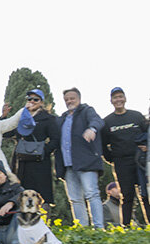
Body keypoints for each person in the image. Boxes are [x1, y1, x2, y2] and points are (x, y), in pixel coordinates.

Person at [55, 88, 104, 228]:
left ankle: (99, 229)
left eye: (72, 98)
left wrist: (92, 129)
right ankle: (82, 229)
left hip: (86, 161)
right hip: (68, 165)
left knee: (92, 194)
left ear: (79, 98)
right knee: (75, 199)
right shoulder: (62, 118)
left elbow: (98, 121)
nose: (69, 101)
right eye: (67, 99)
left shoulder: (87, 111)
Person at [102, 86, 149, 226]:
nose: (118, 100)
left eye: (120, 96)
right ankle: (126, 227)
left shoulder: (136, 116)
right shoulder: (107, 122)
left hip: (140, 162)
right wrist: (113, 158)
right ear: (111, 100)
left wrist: (147, 148)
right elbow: (103, 145)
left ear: (125, 98)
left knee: (145, 195)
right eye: (115, 97)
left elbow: (147, 134)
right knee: (127, 196)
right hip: (122, 163)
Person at [10, 89, 60, 206]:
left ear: (41, 102)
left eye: (36, 99)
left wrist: (44, 150)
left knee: (40, 194)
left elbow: (55, 139)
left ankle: (42, 219)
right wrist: (4, 116)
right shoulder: (20, 117)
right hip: (21, 161)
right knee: (21, 192)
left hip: (39, 163)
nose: (32, 101)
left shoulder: (48, 118)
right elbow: (7, 132)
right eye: (29, 99)